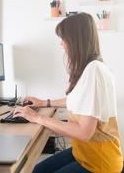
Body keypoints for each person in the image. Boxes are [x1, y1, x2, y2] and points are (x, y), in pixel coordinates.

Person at [14, 13, 123, 173]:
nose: (61, 44)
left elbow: (84, 133)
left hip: (99, 163)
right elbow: (78, 100)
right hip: (83, 153)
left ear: (75, 40)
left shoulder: (94, 71)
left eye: (63, 38)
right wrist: (45, 103)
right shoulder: (92, 68)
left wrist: (37, 117)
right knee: (37, 170)